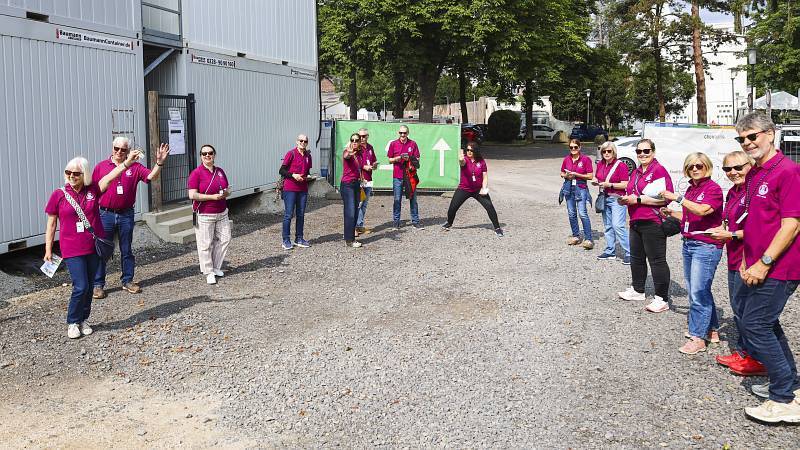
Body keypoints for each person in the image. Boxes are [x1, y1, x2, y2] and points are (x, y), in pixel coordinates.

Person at [729, 112, 800, 423]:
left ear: (770, 134)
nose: (747, 142)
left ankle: (784, 398)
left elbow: (791, 225)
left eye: (752, 136)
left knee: (755, 325)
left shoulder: (788, 171)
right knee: (766, 324)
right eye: (741, 138)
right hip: (757, 263)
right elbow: (754, 222)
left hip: (780, 266)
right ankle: (792, 385)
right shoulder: (755, 173)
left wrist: (764, 262)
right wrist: (748, 259)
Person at [44, 151, 142, 338]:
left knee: (89, 286)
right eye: (68, 172)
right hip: (71, 248)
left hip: (93, 246)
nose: (71, 176)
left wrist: (127, 163)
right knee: (80, 286)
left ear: (84, 174)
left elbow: (111, 176)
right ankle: (73, 321)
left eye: (76, 173)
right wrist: (48, 248)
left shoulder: (93, 190)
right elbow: (51, 224)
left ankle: (83, 319)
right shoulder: (59, 194)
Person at [706, 151, 764, 373]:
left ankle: (756, 358)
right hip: (734, 257)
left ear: (750, 165)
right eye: (728, 169)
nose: (733, 172)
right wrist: (720, 230)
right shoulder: (733, 192)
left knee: (750, 312)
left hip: (750, 259)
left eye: (738, 167)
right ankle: (744, 351)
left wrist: (730, 235)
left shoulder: (755, 192)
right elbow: (729, 222)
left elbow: (763, 229)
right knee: (738, 307)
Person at [91, 137, 170, 299]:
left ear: (128, 151)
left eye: (123, 149)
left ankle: (127, 280)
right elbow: (93, 191)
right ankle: (97, 284)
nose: (119, 152)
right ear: (112, 148)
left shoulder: (135, 167)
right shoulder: (101, 166)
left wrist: (159, 163)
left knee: (126, 249)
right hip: (105, 214)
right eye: (116, 148)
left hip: (126, 214)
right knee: (102, 250)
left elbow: (151, 177)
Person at [661, 152, 724, 355]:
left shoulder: (713, 189)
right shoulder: (692, 188)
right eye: (691, 166)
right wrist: (672, 213)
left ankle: (698, 337)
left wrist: (677, 198)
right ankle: (712, 329)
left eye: (699, 165)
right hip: (689, 243)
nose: (695, 169)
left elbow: (703, 211)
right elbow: (690, 216)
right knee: (698, 289)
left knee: (698, 291)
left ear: (707, 167)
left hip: (706, 245)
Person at [616, 139, 673, 313]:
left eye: (646, 151)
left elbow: (665, 198)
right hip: (636, 220)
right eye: (639, 151)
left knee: (657, 260)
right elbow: (632, 192)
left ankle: (662, 298)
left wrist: (638, 200)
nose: (642, 154)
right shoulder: (637, 171)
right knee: (637, 257)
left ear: (653, 152)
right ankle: (638, 289)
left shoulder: (658, 170)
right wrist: (626, 199)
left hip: (652, 221)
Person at [187, 144, 232, 285]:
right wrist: (212, 197)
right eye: (204, 153)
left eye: (210, 153)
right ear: (201, 156)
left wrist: (226, 193)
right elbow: (192, 195)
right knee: (205, 244)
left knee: (225, 239)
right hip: (205, 214)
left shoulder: (220, 171)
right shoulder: (196, 173)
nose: (207, 155)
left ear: (214, 155)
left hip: (222, 212)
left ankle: (216, 267)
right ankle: (208, 272)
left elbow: (226, 188)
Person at [441, 142, 503, 236]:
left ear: (476, 151)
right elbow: (462, 163)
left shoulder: (481, 161)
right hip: (464, 188)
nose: (469, 152)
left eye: (471, 150)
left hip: (478, 190)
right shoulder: (465, 159)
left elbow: (485, 176)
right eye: (467, 150)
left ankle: (497, 228)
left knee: (489, 207)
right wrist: (460, 159)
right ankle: (449, 222)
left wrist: (484, 188)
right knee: (452, 208)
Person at [593, 141, 631, 263]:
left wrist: (610, 185)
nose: (606, 153)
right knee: (608, 226)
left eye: (609, 151)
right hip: (605, 197)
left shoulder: (621, 165)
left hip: (617, 199)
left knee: (618, 225)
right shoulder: (600, 164)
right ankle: (610, 251)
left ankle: (630, 253)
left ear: (614, 152)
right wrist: (595, 181)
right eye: (604, 151)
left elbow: (626, 184)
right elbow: (597, 177)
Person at [279, 135, 313, 250]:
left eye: (305, 141)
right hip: (290, 188)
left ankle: (299, 238)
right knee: (288, 215)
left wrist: (308, 176)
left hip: (303, 189)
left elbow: (307, 171)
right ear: (297, 141)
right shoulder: (291, 153)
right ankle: (286, 240)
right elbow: (282, 170)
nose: (303, 142)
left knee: (301, 214)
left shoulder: (308, 156)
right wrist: (293, 175)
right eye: (301, 140)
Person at [560, 139, 594, 249]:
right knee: (571, 213)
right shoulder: (566, 159)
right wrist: (566, 175)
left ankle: (588, 239)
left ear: (580, 147)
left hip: (580, 187)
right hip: (568, 187)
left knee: (582, 213)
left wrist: (577, 174)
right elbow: (561, 172)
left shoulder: (586, 159)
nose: (573, 149)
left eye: (575, 147)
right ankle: (576, 236)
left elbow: (590, 176)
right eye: (571, 147)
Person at [387, 125, 421, 229]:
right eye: (401, 133)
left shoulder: (413, 144)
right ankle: (396, 222)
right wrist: (397, 158)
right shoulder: (393, 144)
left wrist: (409, 158)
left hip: (410, 176)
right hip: (397, 176)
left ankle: (415, 221)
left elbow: (417, 159)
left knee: (413, 199)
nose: (402, 135)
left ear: (408, 133)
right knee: (397, 200)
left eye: (404, 133)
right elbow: (389, 160)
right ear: (398, 133)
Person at [341, 133, 364, 248]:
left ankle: (350, 237)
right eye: (352, 140)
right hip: (347, 185)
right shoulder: (347, 151)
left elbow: (360, 168)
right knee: (350, 212)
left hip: (356, 184)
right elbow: (346, 156)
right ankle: (349, 240)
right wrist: (349, 153)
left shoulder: (359, 154)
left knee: (355, 212)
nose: (354, 142)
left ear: (360, 142)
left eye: (356, 140)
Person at [356, 128, 377, 235]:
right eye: (360, 136)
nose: (361, 138)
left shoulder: (370, 147)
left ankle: (359, 225)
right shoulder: (356, 148)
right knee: (358, 204)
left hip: (368, 179)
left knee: (364, 204)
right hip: (360, 179)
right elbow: (354, 163)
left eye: (364, 136)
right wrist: (364, 167)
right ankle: (354, 227)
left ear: (367, 136)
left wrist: (374, 165)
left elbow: (373, 160)